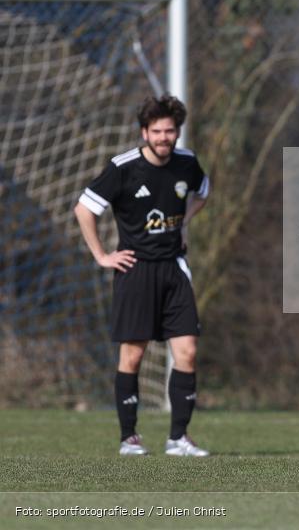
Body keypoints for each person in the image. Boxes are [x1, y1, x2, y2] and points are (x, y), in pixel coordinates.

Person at [74, 95, 211, 457]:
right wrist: (102, 256)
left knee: (188, 350)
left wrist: (184, 225)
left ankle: (178, 439)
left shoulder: (187, 163)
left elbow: (203, 193)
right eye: (158, 131)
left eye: (170, 131)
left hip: (174, 269)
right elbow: (84, 209)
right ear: (144, 132)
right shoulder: (123, 167)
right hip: (135, 271)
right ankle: (129, 438)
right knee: (132, 357)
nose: (165, 137)